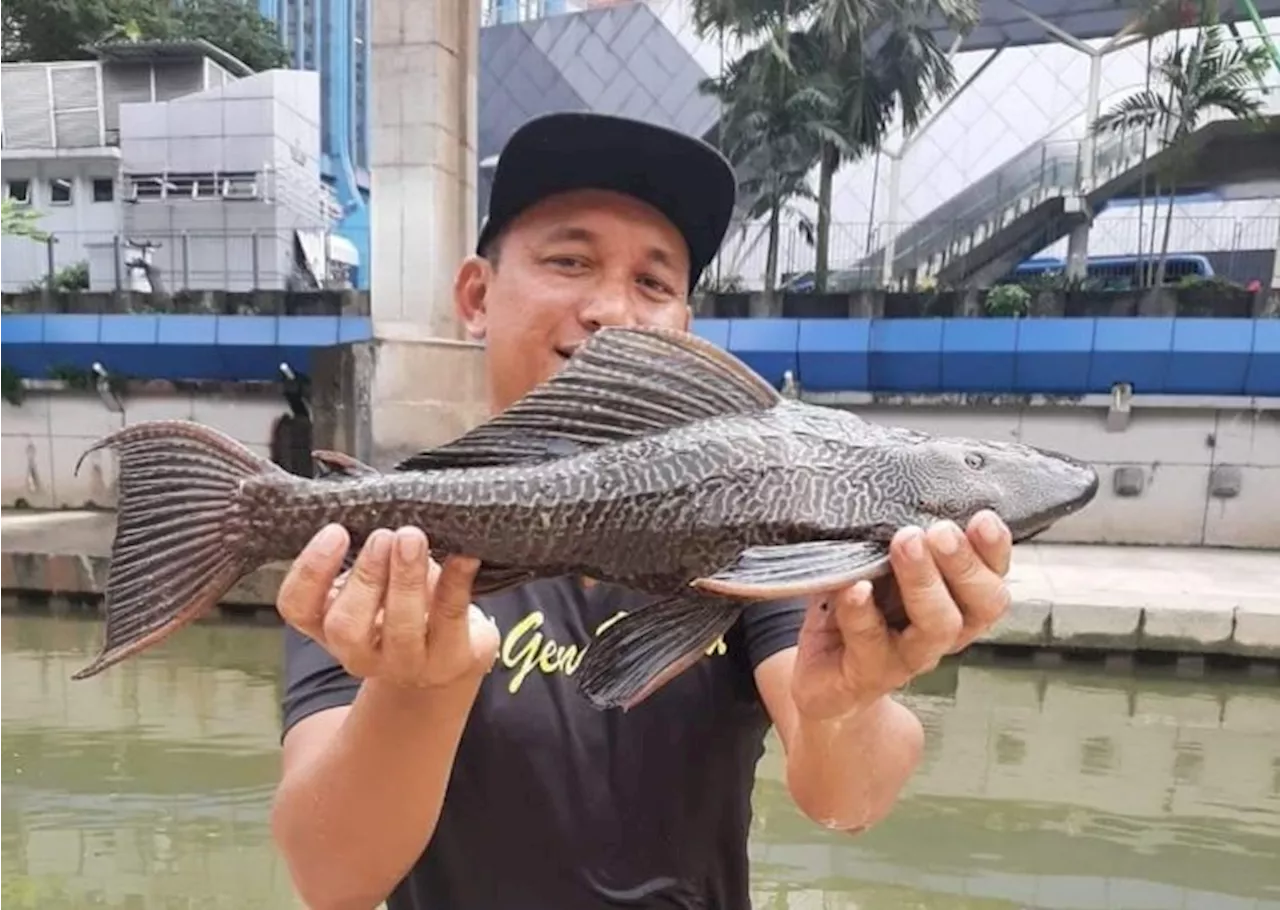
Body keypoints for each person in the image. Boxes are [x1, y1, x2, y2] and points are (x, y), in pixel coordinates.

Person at [269, 111, 1014, 910]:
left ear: (683, 331)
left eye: (653, 283)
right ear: (476, 296)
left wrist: (850, 699)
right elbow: (331, 879)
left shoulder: (760, 524)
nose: (612, 311)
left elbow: (848, 800)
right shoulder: (387, 547)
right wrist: (416, 685)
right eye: (570, 259)